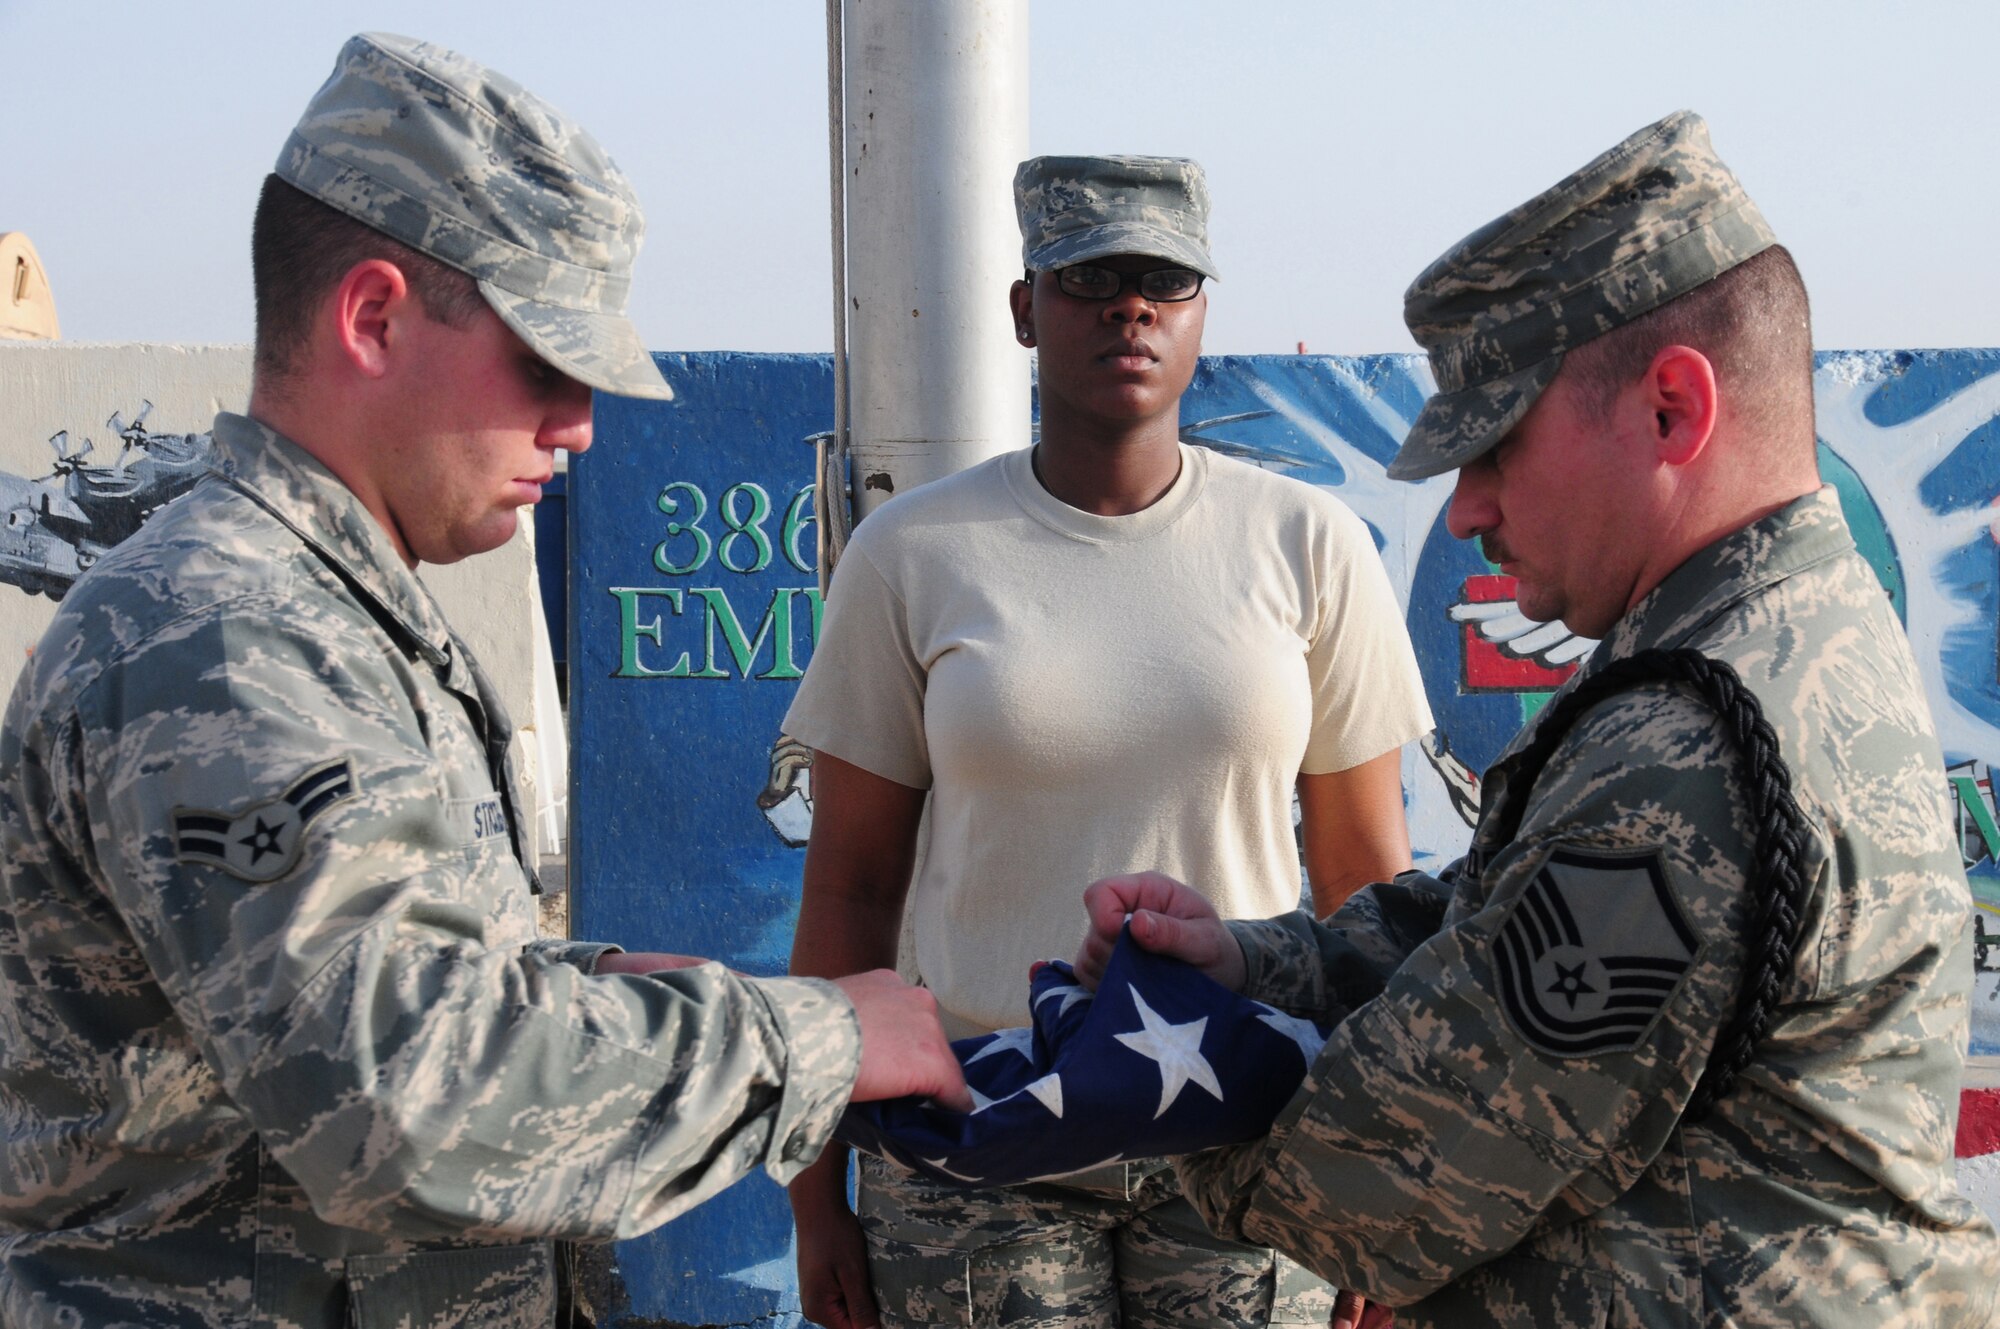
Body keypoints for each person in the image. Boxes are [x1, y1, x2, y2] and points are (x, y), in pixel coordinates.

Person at [0, 32, 965, 1329]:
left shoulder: (329, 615)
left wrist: (613, 989)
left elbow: (392, 984)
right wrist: (824, 1039)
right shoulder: (228, 642)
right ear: (374, 316)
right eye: (544, 363)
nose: (576, 424)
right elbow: (407, 1106)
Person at [1075, 111, 2000, 1327]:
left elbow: (1369, 1190)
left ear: (1671, 408)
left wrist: (1133, 1085)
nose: (1463, 512)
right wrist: (1258, 962)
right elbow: (1494, 918)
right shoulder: (1773, 635)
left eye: (1494, 446)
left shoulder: (1693, 748)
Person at [784, 154, 1433, 1329]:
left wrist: (1379, 1186)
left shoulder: (1308, 544)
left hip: (1237, 1124)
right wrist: (813, 1197)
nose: (1128, 306)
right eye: (1089, 277)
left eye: (1162, 279)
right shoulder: (911, 554)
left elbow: (1364, 889)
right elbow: (852, 889)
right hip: (987, 1136)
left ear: (1198, 311)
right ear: (1027, 309)